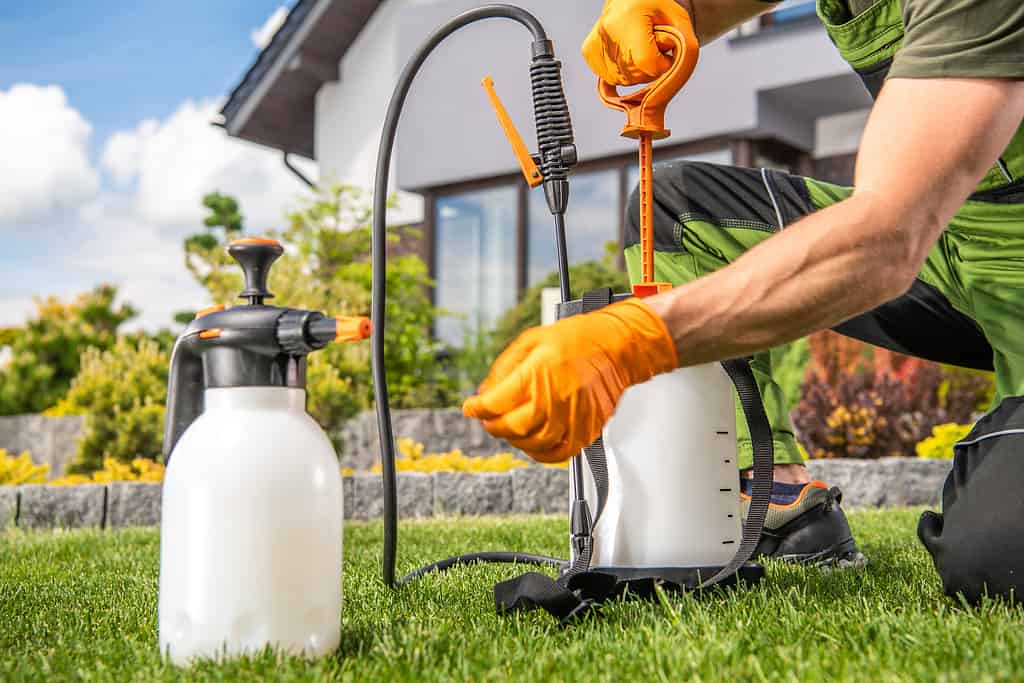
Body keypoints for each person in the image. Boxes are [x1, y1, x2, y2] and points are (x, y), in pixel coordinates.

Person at [463, 0, 1024, 601]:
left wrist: (634, 339)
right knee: (682, 210)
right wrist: (682, 12)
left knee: (994, 562)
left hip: (926, 239)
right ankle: (778, 493)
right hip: (956, 248)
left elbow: (887, 238)